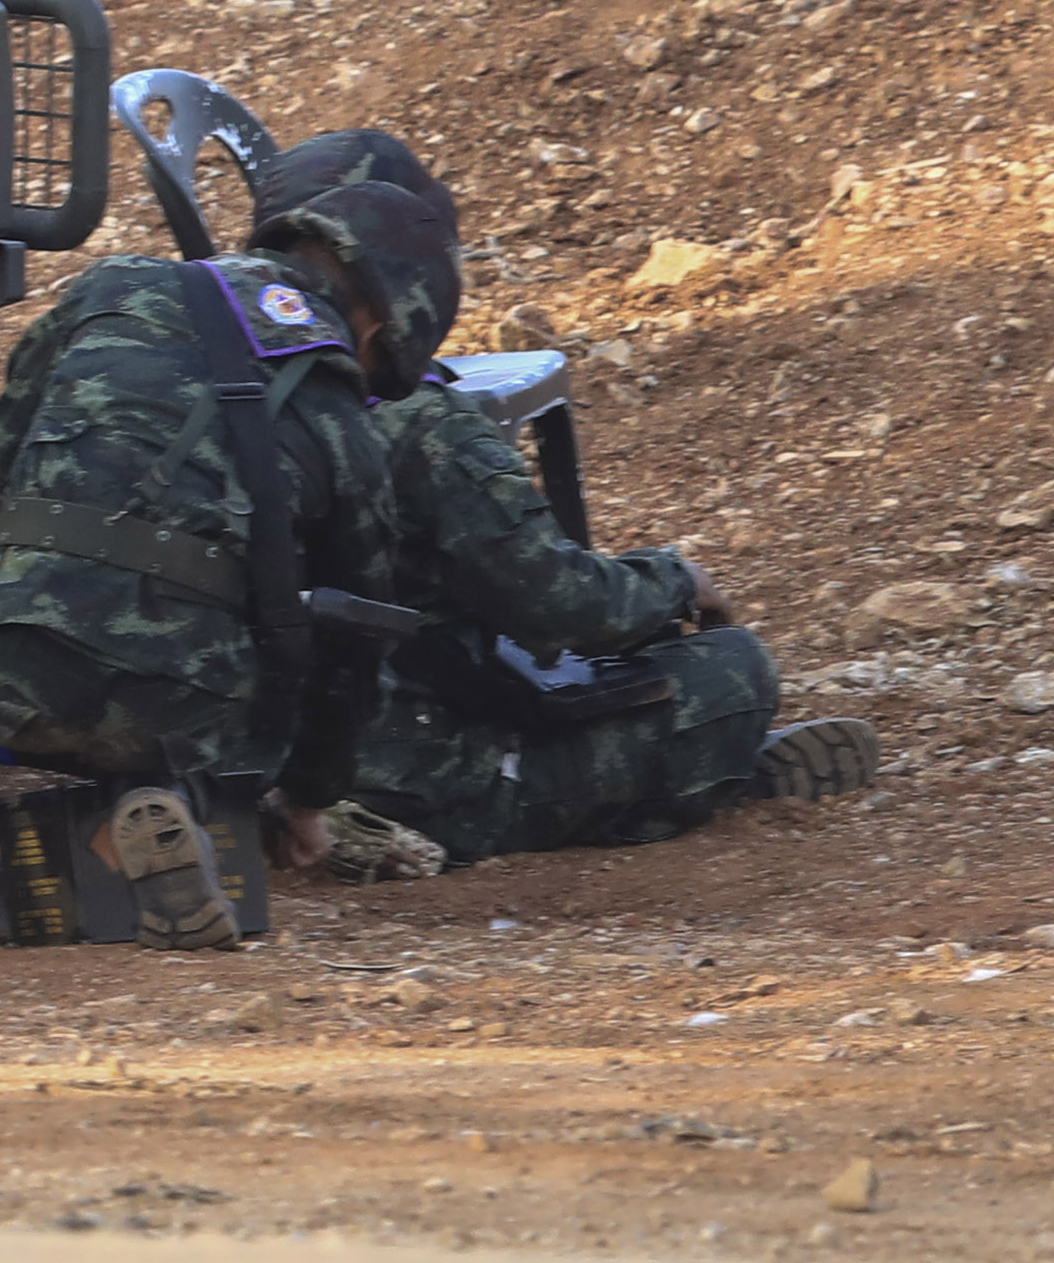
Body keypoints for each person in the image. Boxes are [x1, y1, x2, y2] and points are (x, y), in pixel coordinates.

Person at [0, 157, 443, 949]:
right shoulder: (346, 426)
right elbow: (353, 645)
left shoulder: (116, 290)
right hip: (196, 728)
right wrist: (308, 799)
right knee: (187, 629)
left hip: (11, 675)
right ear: (379, 326)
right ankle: (153, 808)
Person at [251, 130, 878, 867]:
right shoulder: (415, 422)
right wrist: (673, 581)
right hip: (393, 767)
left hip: (224, 739)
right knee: (733, 675)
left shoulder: (201, 363)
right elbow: (561, 605)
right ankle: (702, 779)